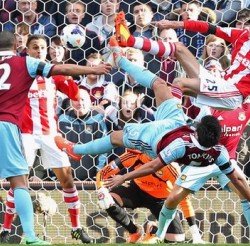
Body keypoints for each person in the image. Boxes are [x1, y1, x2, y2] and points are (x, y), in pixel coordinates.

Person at [54, 38, 250, 208]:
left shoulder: (180, 146)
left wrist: (123, 177)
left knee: (115, 137)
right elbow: (239, 179)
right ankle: (119, 59)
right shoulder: (220, 153)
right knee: (160, 84)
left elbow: (153, 166)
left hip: (155, 138)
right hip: (177, 123)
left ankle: (75, 150)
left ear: (197, 130)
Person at [0, 30, 111, 245]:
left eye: (43, 48)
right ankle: (10, 230)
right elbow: (63, 68)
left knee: (66, 180)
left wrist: (78, 96)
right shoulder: (26, 66)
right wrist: (93, 69)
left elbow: (77, 97)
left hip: (50, 133)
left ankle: (76, 228)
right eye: (35, 48)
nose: (39, 51)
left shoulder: (54, 76)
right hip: (23, 133)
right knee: (18, 182)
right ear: (22, 49)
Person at [114, 11, 250, 110]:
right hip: (221, 83)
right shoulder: (243, 35)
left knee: (179, 82)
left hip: (234, 94)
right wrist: (174, 24)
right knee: (178, 49)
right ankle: (130, 40)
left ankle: (173, 124)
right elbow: (207, 27)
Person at [96, 149, 204, 243]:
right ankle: (134, 231)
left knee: (176, 239)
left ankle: (153, 231)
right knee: (106, 200)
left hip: (161, 199)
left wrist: (195, 234)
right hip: (137, 189)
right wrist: (101, 189)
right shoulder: (135, 154)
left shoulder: (170, 166)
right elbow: (103, 172)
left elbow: (184, 199)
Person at [58, 89, 108, 181]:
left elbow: (104, 148)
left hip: (91, 177)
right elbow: (55, 147)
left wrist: (99, 171)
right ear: (71, 102)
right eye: (76, 99)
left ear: (90, 102)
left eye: (83, 99)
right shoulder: (63, 120)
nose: (80, 103)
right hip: (66, 177)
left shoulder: (97, 119)